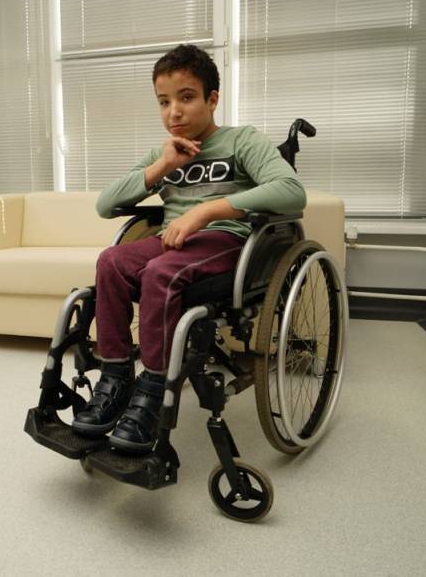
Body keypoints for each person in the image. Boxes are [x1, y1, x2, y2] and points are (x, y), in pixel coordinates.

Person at [71, 44, 307, 453]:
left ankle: (155, 388)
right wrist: (163, 166)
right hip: (172, 242)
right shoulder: (164, 153)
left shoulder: (241, 140)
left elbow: (291, 191)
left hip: (227, 241)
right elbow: (104, 205)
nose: (173, 113)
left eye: (186, 98)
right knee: (111, 261)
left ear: (212, 99)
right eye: (164, 102)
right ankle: (116, 377)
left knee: (161, 273)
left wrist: (207, 211)